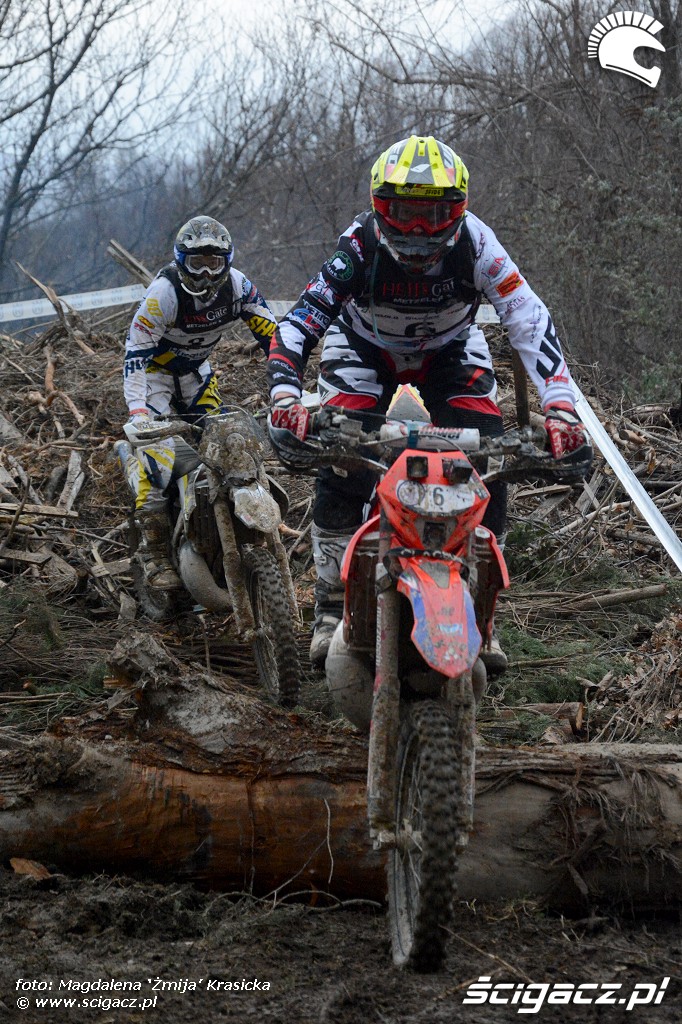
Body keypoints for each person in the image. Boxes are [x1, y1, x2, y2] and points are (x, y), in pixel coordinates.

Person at [267, 134, 591, 674]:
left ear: (458, 209)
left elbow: (528, 317)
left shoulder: (478, 244)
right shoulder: (359, 245)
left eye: (434, 214)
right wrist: (285, 397)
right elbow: (301, 321)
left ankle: (481, 610)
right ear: (379, 207)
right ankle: (330, 605)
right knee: (343, 460)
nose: (418, 229)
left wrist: (560, 407)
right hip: (364, 348)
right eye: (404, 212)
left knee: (489, 460)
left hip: (449, 350)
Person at [122, 214, 278, 589]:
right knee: (157, 457)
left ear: (227, 261)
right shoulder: (163, 294)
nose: (206, 274)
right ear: (181, 262)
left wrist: (289, 387)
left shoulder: (238, 287)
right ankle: (153, 551)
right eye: (197, 263)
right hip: (155, 378)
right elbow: (135, 354)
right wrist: (138, 412)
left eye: (214, 263)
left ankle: (236, 521)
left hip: (197, 376)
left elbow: (274, 338)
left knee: (228, 445)